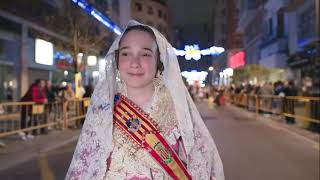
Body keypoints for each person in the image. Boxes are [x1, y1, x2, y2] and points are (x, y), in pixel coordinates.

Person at [66, 20, 224, 180]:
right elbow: (84, 169)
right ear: (116, 60)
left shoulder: (179, 111)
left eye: (145, 54)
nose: (135, 63)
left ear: (158, 61)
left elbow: (203, 167)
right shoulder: (104, 112)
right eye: (126, 54)